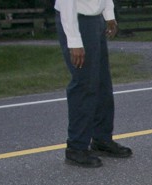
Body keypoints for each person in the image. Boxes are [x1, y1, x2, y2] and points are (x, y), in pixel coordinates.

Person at [56, 0, 133, 168]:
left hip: (95, 20)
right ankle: (76, 147)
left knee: (102, 84)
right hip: (77, 21)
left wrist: (109, 15)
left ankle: (102, 139)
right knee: (84, 85)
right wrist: (74, 41)